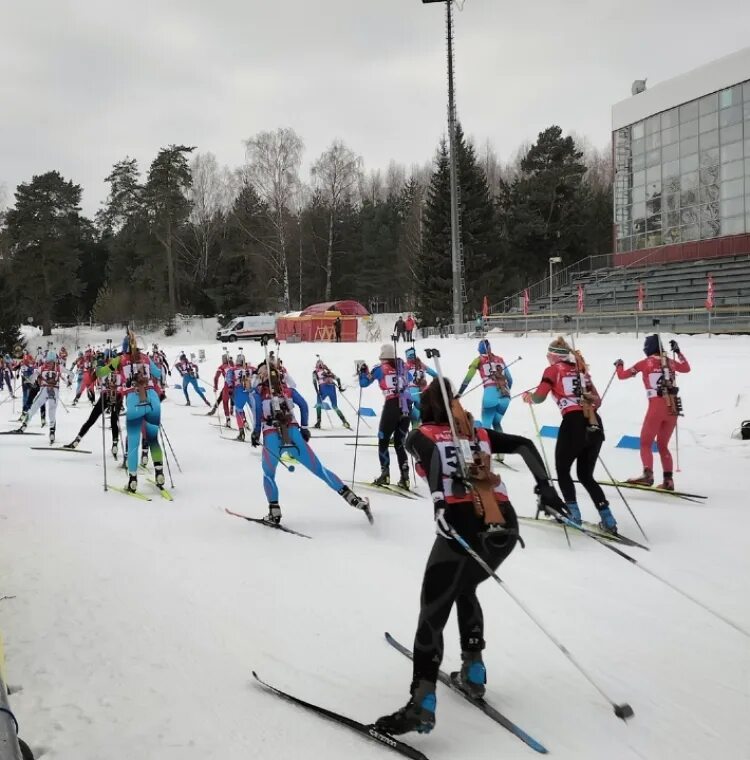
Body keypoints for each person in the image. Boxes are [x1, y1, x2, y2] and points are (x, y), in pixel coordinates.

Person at [374, 379, 569, 736]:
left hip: (460, 523)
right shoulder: (478, 433)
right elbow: (524, 445)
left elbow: (432, 460)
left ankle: (422, 704)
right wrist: (546, 487)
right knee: (465, 587)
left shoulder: (419, 435)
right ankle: (474, 670)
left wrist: (438, 504)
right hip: (503, 527)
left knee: (433, 610)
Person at [250, 358, 370, 524]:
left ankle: (274, 511)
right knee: (320, 470)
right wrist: (304, 427)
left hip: (271, 435)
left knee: (268, 474)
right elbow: (304, 406)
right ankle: (353, 499)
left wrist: (256, 432)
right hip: (293, 432)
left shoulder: (258, 393)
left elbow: (256, 410)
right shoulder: (288, 391)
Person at [522, 337, 617, 534]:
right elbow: (597, 401)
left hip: (573, 422)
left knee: (563, 469)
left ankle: (573, 514)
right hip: (594, 422)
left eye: (549, 355)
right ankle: (608, 518)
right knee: (585, 475)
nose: (547, 358)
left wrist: (528, 398)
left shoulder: (553, 370)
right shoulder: (581, 370)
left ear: (555, 356)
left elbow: (539, 397)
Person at [615, 334, 691, 491]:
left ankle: (647, 474)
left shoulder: (645, 363)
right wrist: (678, 352)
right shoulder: (669, 362)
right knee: (663, 445)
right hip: (672, 407)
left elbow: (622, 376)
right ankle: (668, 480)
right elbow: (686, 368)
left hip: (656, 405)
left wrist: (619, 365)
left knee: (645, 443)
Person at [111, 333, 165, 494]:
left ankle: (133, 480)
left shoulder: (120, 360)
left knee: (134, 441)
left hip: (134, 399)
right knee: (153, 438)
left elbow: (107, 377)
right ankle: (159, 473)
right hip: (153, 399)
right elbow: (158, 374)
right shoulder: (146, 358)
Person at [359, 344, 411, 488]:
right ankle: (405, 477)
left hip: (392, 405)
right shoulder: (403, 366)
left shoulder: (380, 368)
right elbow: (411, 379)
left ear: (382, 357)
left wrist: (362, 372)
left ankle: (385, 474)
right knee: (399, 443)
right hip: (407, 405)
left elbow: (364, 383)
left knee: (383, 440)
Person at [457, 340, 513, 458]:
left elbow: (468, 378)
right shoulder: (500, 359)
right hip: (505, 396)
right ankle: (501, 454)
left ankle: (485, 454)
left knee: (486, 425)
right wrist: (507, 392)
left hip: (490, 395)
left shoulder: (478, 360)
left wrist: (460, 393)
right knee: (497, 423)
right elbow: (510, 379)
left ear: (479, 350)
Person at [64, 362, 123, 457]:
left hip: (105, 395)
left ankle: (77, 440)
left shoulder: (104, 369)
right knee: (114, 421)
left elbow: (91, 379)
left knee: (91, 419)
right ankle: (115, 443)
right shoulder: (121, 370)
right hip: (117, 396)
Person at [19, 350, 69, 443]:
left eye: (50, 361)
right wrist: (69, 380)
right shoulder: (57, 367)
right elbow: (71, 373)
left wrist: (28, 380)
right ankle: (50, 432)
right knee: (47, 410)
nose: (49, 363)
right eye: (48, 361)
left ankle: (26, 426)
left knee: (40, 408)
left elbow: (32, 378)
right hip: (52, 392)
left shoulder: (43, 367)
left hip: (46, 391)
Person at [312, 358, 350, 430]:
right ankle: (345, 422)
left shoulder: (315, 372)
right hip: (332, 388)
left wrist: (317, 391)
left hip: (323, 388)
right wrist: (340, 388)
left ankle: (318, 422)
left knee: (318, 404)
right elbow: (338, 378)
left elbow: (314, 381)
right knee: (335, 406)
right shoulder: (328, 371)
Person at [404, 346, 437, 427]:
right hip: (423, 391)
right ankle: (421, 425)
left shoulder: (405, 366)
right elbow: (434, 374)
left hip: (412, 391)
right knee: (422, 408)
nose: (411, 358)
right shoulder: (420, 364)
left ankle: (416, 427)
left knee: (416, 411)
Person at [210, 353, 235, 425]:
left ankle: (228, 419)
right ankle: (243, 420)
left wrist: (215, 387)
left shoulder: (221, 366)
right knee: (233, 399)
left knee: (224, 401)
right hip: (236, 385)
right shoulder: (233, 365)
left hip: (227, 385)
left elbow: (216, 377)